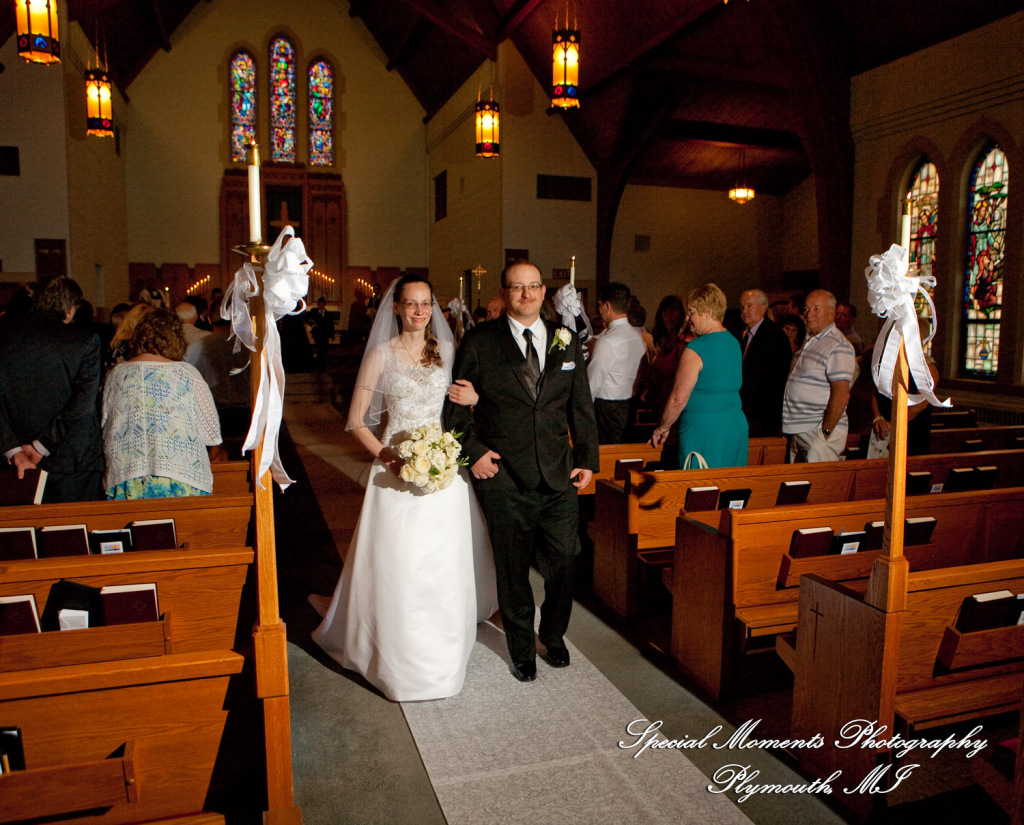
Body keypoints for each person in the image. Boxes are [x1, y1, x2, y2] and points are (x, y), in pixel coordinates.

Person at [311, 274, 498, 702]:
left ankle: (444, 645)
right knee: (398, 561)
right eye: (411, 303)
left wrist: (474, 400)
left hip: (444, 472)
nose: (419, 311)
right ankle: (395, 648)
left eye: (426, 303)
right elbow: (357, 420)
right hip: (394, 470)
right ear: (395, 308)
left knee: (442, 559)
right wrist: (389, 457)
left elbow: (475, 399)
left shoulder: (449, 352)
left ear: (434, 307)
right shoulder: (381, 355)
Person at [444, 259, 599, 683]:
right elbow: (455, 409)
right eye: (517, 288)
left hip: (558, 472)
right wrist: (472, 451)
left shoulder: (565, 340)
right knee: (512, 568)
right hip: (504, 476)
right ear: (505, 292)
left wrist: (586, 457)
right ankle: (521, 647)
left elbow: (579, 404)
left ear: (544, 293)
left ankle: (553, 633)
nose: (527, 294)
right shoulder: (479, 341)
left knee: (568, 558)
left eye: (533, 287)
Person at [0, 277, 104, 502]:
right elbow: (82, 405)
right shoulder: (84, 341)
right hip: (73, 462)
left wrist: (14, 450)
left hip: (12, 462)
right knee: (75, 533)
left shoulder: (4, 337)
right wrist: (41, 446)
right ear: (69, 309)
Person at [102, 309, 223, 499]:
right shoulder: (186, 374)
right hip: (179, 477)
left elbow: (104, 422)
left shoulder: (116, 374)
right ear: (175, 338)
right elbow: (211, 434)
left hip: (127, 479)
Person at [649, 284, 748, 468]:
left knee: (700, 491)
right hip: (734, 427)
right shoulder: (734, 342)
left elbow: (678, 398)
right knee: (728, 488)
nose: (688, 318)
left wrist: (663, 428)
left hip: (706, 429)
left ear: (708, 313)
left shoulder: (696, 348)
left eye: (692, 312)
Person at [782, 290, 856, 462]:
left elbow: (842, 394)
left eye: (816, 309)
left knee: (817, 486)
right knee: (798, 486)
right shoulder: (811, 340)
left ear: (831, 313)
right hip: (800, 429)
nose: (809, 314)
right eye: (807, 309)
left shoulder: (837, 345)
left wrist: (825, 433)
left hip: (817, 431)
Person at [587, 282, 646, 444]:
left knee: (606, 459)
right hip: (629, 406)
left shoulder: (608, 341)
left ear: (607, 306)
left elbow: (592, 383)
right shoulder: (637, 337)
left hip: (606, 410)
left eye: (599, 305)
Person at [737, 289, 793, 437]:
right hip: (748, 412)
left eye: (749, 306)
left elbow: (767, 379)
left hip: (762, 414)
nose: (744, 311)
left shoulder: (773, 336)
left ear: (763, 309)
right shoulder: (748, 334)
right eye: (742, 306)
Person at [307, 296, 334, 371]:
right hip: (317, 333)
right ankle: (318, 365)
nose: (321, 306)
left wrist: (332, 334)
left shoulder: (328, 314)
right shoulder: (313, 311)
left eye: (322, 304)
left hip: (325, 333)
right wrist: (312, 322)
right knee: (319, 348)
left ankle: (323, 365)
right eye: (320, 304)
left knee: (324, 349)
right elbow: (307, 319)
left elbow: (330, 325)